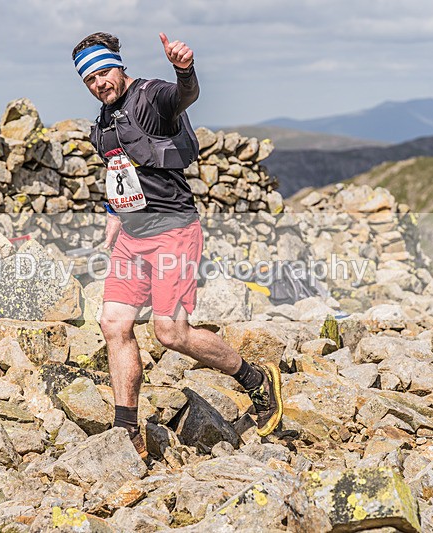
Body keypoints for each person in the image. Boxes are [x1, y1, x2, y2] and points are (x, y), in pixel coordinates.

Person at [72, 32, 282, 458]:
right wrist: (115, 214)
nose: (99, 83)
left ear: (119, 65)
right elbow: (122, 170)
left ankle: (257, 381)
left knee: (171, 333)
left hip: (172, 230)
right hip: (132, 237)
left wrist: (184, 69)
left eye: (103, 72)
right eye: (89, 79)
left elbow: (185, 96)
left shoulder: (151, 99)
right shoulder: (105, 117)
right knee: (114, 325)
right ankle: (127, 430)